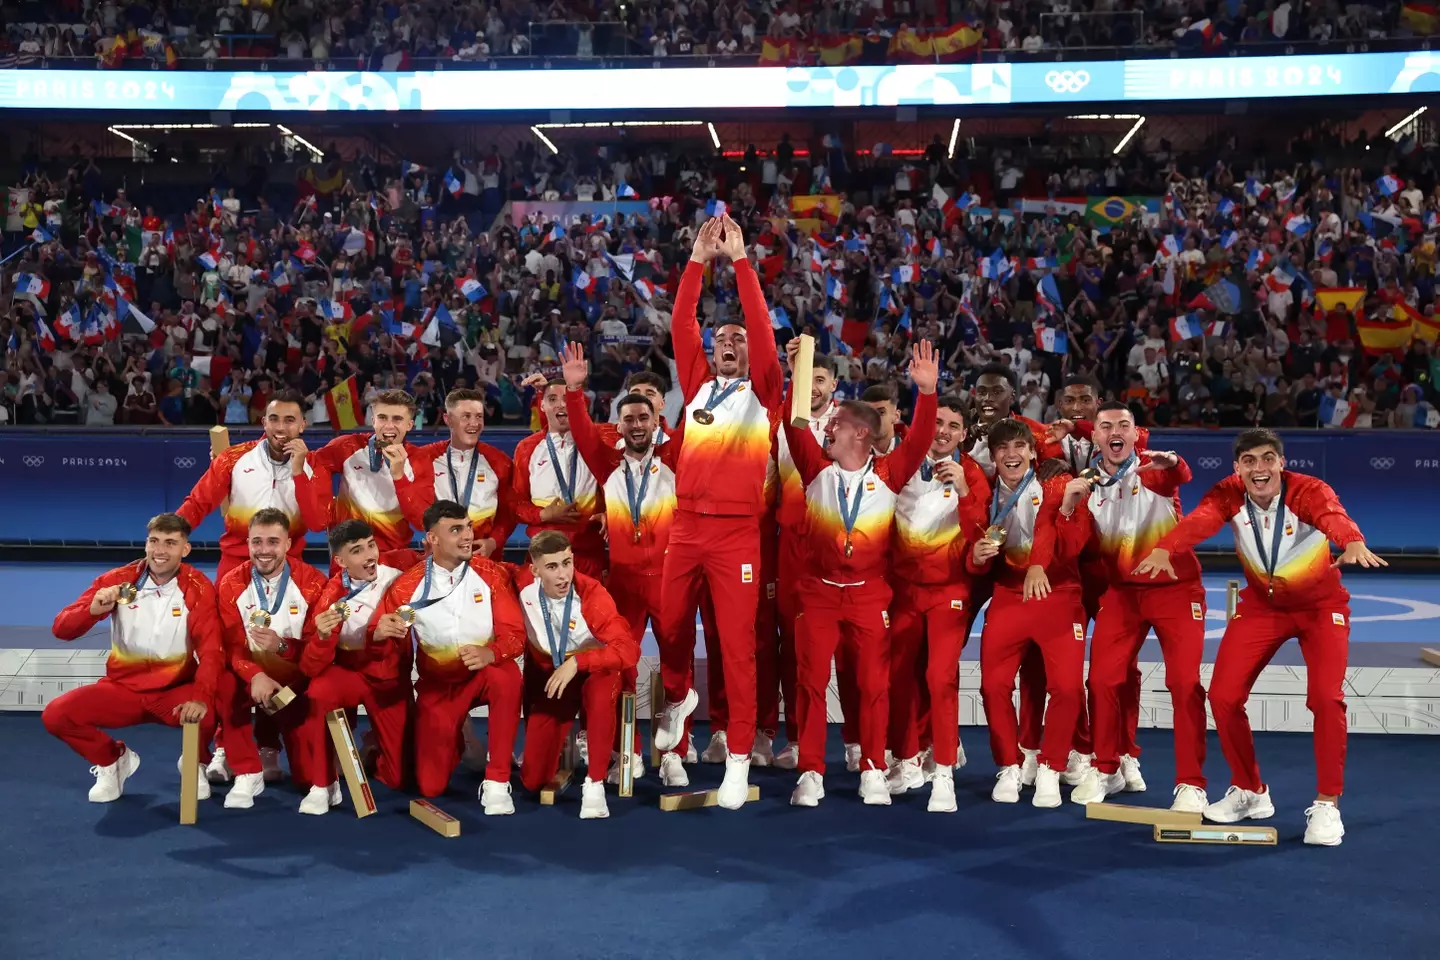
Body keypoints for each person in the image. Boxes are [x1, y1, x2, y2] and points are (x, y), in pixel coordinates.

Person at [1134, 428, 1386, 845]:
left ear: (1281, 464)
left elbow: (1333, 516)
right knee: (1223, 696)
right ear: (1237, 468)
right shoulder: (1229, 493)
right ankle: (1250, 789)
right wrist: (1166, 548)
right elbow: (1200, 520)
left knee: (1325, 698)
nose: (1259, 468)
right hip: (1262, 607)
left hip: (1321, 609)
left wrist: (1352, 541)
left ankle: (1327, 804)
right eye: (1249, 461)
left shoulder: (1308, 491)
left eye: (1268, 458)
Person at [652, 215, 784, 810]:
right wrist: (696, 261)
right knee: (673, 626)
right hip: (686, 526)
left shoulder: (766, 392)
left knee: (737, 646)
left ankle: (735, 761)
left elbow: (759, 325)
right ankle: (677, 697)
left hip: (737, 535)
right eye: (720, 339)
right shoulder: (698, 385)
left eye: (738, 339)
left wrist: (742, 262)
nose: (729, 343)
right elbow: (681, 322)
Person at [783, 340, 939, 808]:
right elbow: (795, 424)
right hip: (820, 594)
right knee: (810, 683)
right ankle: (812, 770)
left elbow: (921, 438)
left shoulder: (890, 474)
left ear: (862, 436)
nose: (826, 427)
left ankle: (873, 766)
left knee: (874, 685)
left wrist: (927, 393)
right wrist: (798, 370)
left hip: (870, 596)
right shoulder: (814, 469)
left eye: (837, 425)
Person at [1059, 401, 1210, 812]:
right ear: (1095, 437)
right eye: (1105, 426)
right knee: (1103, 680)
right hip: (1123, 594)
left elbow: (1181, 474)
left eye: (1123, 425)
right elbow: (1071, 548)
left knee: (1184, 683)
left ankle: (1191, 783)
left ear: (1134, 432)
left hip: (1176, 590)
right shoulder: (1085, 484)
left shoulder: (1152, 469)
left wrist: (1174, 460)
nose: (1114, 432)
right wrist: (1069, 507)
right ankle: (1106, 768)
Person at [562, 342, 686, 784]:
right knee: (623, 666)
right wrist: (575, 391)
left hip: (671, 580)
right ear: (618, 425)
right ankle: (627, 752)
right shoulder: (607, 463)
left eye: (644, 417)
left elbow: (692, 424)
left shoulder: (675, 458)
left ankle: (673, 753)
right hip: (625, 582)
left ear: (657, 422)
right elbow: (579, 430)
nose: (636, 424)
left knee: (676, 667)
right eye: (628, 419)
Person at [45, 513, 219, 803]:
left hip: (173, 691)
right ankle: (113, 760)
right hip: (122, 690)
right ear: (146, 543)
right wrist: (93, 610)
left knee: (211, 707)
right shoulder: (116, 581)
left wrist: (200, 697)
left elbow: (212, 650)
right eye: (154, 541)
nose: (160, 551)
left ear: (184, 549)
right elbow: (61, 629)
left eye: (170, 543)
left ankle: (196, 761)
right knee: (56, 715)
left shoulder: (198, 587)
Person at [968, 421, 1089, 810]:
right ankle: (1008, 764)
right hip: (1009, 594)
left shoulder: (1055, 483)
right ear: (992, 456)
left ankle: (1052, 767)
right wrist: (974, 558)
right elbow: (970, 551)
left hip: (1058, 592)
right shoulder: (983, 491)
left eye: (1020, 446)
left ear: (1034, 453)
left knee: (1068, 688)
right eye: (1002, 448)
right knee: (993, 686)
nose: (1011, 454)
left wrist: (1067, 511)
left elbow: (1070, 545)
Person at [375, 499, 525, 814]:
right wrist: (380, 633)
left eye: (468, 526)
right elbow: (388, 651)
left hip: (481, 675)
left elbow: (515, 635)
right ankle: (460, 737)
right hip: (438, 688)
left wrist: (491, 652)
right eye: (455, 530)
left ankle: (497, 780)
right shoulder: (406, 588)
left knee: (507, 675)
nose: (467, 536)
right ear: (432, 539)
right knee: (431, 787)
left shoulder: (490, 573)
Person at [885, 393, 989, 804]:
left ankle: (944, 770)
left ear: (963, 434)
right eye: (937, 423)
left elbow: (983, 530)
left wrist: (964, 489)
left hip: (949, 591)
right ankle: (908, 758)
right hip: (903, 591)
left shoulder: (974, 473)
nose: (942, 432)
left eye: (952, 426)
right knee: (901, 675)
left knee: (940, 677)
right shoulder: (902, 464)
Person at [295, 520, 418, 814]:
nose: (369, 555)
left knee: (401, 778)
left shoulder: (399, 575)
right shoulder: (331, 596)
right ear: (340, 561)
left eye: (371, 545)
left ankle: (371, 747)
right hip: (352, 674)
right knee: (320, 690)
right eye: (357, 551)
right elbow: (310, 666)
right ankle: (323, 784)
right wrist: (323, 638)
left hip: (390, 681)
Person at [516, 531, 639, 819]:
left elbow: (628, 651)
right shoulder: (522, 587)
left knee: (600, 689)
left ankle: (594, 783)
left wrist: (579, 662)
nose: (563, 575)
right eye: (552, 567)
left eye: (567, 563)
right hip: (556, 680)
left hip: (593, 671)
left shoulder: (592, 594)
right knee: (532, 781)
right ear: (534, 570)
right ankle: (563, 745)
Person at [214, 508, 329, 809]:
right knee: (222, 683)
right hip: (249, 679)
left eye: (273, 542)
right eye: (257, 542)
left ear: (288, 544)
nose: (264, 551)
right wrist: (255, 675)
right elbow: (230, 645)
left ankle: (271, 745)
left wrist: (282, 648)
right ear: (248, 543)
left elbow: (318, 651)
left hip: (295, 683)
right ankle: (245, 768)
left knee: (305, 779)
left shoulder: (313, 583)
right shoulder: (230, 584)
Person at [770, 350, 841, 770]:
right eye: (804, 378)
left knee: (850, 650)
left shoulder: (851, 422)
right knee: (794, 647)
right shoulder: (780, 423)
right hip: (791, 547)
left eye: (819, 379)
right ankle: (797, 738)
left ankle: (858, 742)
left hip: (838, 546)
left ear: (833, 384)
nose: (812, 387)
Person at [177, 390, 314, 580]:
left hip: (289, 562)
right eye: (274, 419)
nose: (280, 427)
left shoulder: (314, 466)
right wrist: (170, 533)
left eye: (290, 420)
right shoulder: (233, 458)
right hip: (236, 563)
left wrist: (299, 472)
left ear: (302, 425)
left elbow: (318, 520)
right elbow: (198, 503)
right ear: (264, 422)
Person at [397, 387, 516, 560]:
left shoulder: (500, 462)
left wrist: (494, 541)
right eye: (466, 416)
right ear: (448, 419)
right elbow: (418, 513)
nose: (474, 423)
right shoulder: (424, 458)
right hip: (441, 559)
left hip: (486, 561)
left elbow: (508, 512)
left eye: (479, 416)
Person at [299, 389, 422, 553]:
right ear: (373, 420)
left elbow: (421, 520)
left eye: (397, 419)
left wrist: (400, 477)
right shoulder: (346, 447)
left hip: (394, 557)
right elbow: (311, 465)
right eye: (382, 417)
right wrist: (327, 513)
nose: (389, 425)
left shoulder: (420, 459)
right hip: (348, 553)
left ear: (409, 425)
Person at [511, 380, 605, 578]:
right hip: (543, 555)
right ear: (542, 406)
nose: (561, 404)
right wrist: (544, 515)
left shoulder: (598, 441)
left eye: (567, 398)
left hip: (589, 555)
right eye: (552, 399)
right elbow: (516, 504)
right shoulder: (527, 448)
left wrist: (611, 514)